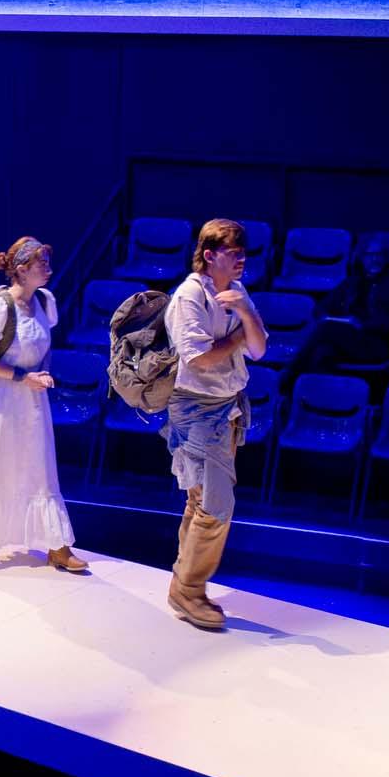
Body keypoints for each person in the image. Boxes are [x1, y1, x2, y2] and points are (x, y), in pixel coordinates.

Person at [0, 237, 89, 572]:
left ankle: (57, 545)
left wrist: (44, 372)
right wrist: (23, 377)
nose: (48, 271)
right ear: (21, 270)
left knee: (39, 467)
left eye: (48, 264)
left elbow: (44, 345)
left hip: (34, 400)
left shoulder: (45, 301)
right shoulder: (0, 307)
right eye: (42, 265)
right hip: (4, 400)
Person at [164, 219, 268, 630]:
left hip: (227, 406)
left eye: (244, 251)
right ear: (209, 254)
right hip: (195, 408)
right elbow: (197, 359)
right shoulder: (189, 295)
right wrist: (241, 334)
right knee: (215, 504)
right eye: (232, 250)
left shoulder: (237, 292)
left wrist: (243, 313)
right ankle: (189, 590)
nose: (241, 257)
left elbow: (260, 349)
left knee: (201, 499)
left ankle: (183, 584)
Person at [280, 235, 389, 387]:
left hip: (376, 344)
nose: (375, 259)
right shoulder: (352, 282)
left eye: (379, 255)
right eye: (370, 255)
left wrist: (363, 324)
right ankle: (325, 399)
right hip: (348, 341)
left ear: (386, 258)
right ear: (362, 258)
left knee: (325, 330)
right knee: (322, 354)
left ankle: (286, 379)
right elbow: (321, 308)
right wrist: (332, 317)